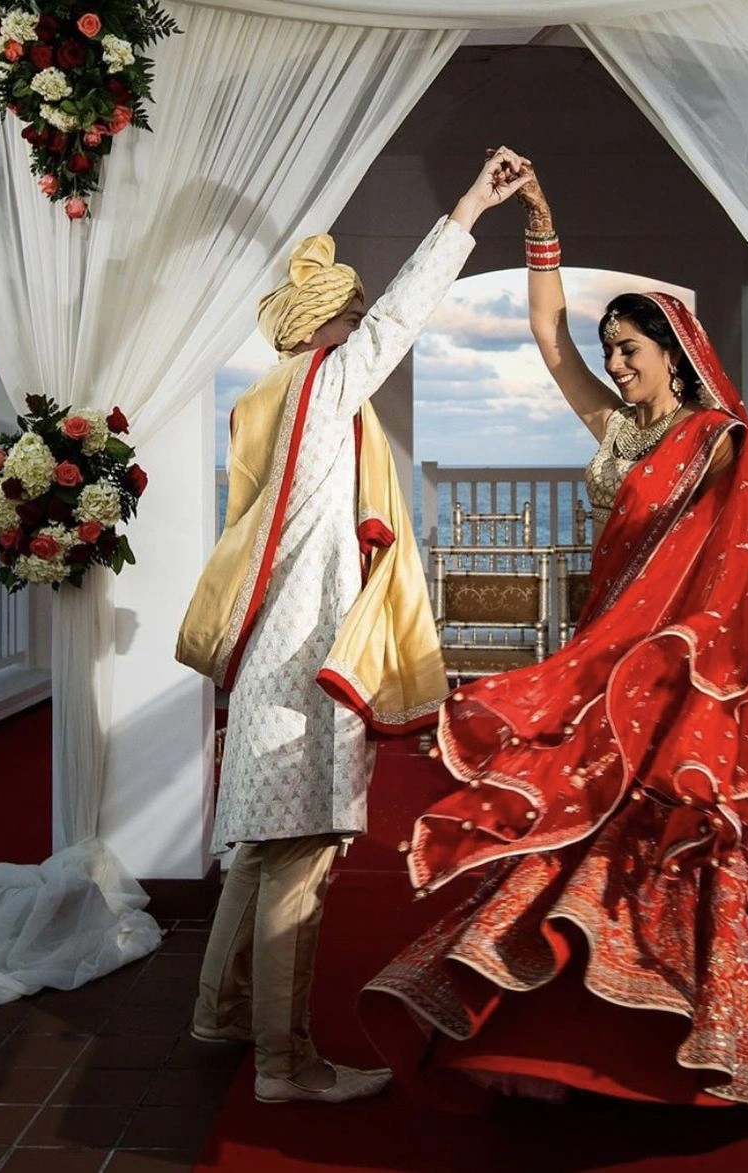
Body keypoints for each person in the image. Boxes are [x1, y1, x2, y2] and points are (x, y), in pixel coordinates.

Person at [360, 162, 748, 1111]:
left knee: (707, 833)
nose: (618, 364)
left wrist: (681, 651)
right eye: (614, 350)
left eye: (631, 348)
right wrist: (540, 220)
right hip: (610, 653)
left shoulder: (715, 436)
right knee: (578, 820)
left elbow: (734, 560)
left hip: (686, 670)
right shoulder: (616, 431)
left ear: (675, 352)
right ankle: (565, 1034)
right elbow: (549, 341)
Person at [174, 149, 531, 1105]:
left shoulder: (266, 407)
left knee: (258, 851)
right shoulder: (326, 389)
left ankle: (219, 1011)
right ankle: (286, 1065)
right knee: (301, 864)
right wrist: (466, 206)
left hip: (265, 668)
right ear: (327, 326)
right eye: (351, 311)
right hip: (305, 671)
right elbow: (402, 317)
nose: (360, 324)